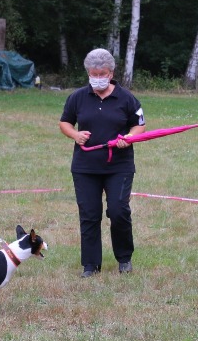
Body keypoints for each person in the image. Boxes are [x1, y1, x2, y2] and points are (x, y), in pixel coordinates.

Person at [59, 48, 146, 278]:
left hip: (119, 166)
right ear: (88, 73)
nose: (98, 78)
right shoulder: (77, 97)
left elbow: (139, 124)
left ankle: (124, 259)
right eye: (93, 74)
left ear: (111, 73)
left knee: (118, 211)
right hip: (85, 166)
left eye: (102, 74)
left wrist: (129, 137)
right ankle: (90, 265)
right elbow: (65, 123)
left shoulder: (126, 98)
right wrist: (75, 135)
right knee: (89, 214)